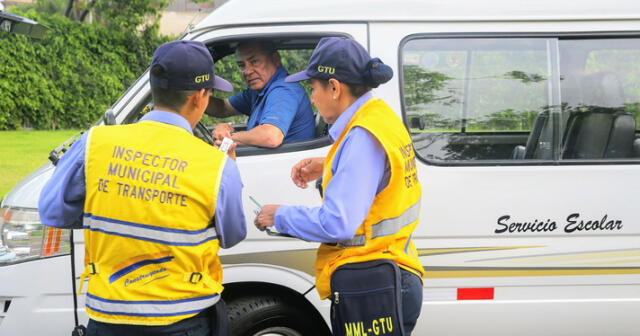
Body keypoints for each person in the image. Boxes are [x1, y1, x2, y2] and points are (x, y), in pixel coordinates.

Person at [38, 40, 246, 336]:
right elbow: (233, 235)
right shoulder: (217, 165)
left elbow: (51, 211)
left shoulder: (95, 143)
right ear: (200, 96)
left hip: (108, 317)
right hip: (184, 318)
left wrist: (112, 205)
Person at [254, 37, 425, 335]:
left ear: (334, 88)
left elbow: (338, 223)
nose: (311, 98)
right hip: (389, 273)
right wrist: (328, 164)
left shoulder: (362, 136)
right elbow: (377, 174)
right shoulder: (379, 118)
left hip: (374, 282)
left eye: (313, 88)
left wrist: (278, 215)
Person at [206, 39, 315, 148]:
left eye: (254, 62)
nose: (247, 71)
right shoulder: (258, 90)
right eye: (241, 65)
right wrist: (196, 96)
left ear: (275, 59)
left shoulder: (284, 90)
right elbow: (223, 108)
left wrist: (227, 137)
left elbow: (270, 137)